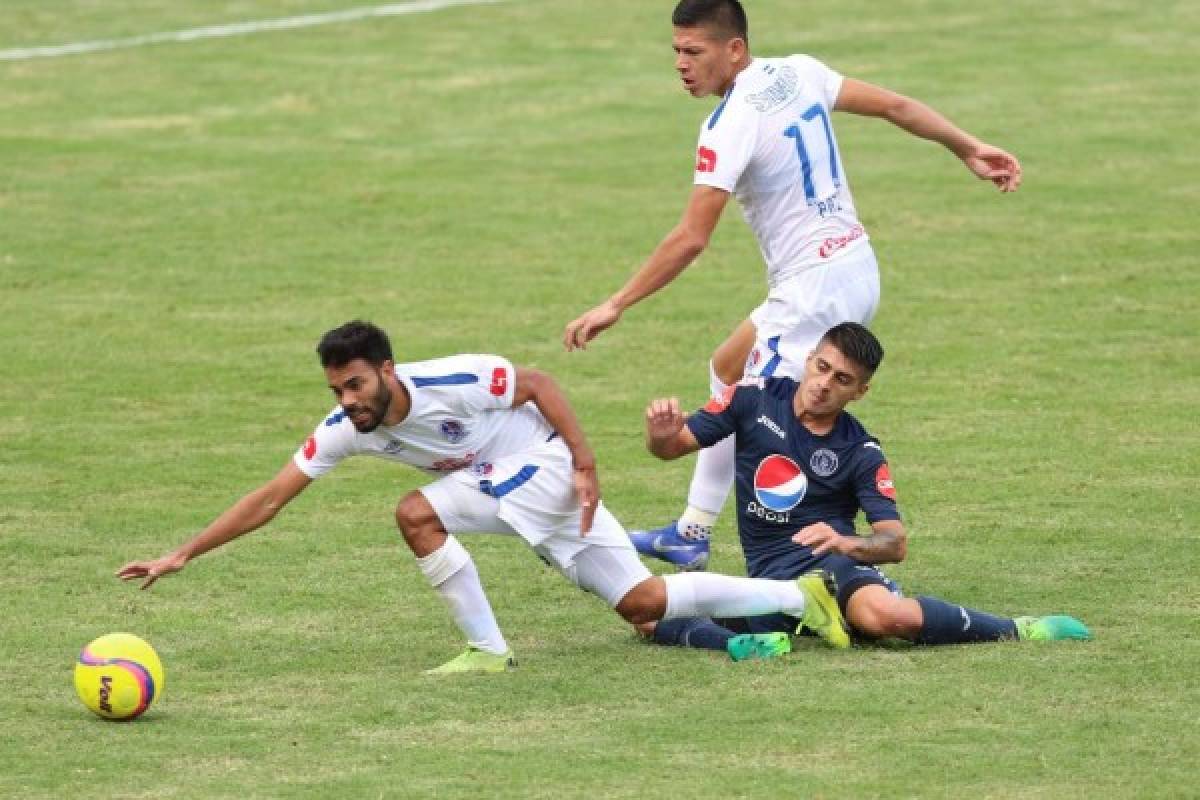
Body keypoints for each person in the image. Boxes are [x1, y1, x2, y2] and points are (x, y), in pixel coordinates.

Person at [563, 0, 1023, 572]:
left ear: (734, 48)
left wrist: (616, 302)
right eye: (676, 51)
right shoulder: (798, 70)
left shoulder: (729, 125)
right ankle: (692, 531)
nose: (681, 64)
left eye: (694, 52)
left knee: (768, 416)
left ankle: (848, 563)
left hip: (811, 289)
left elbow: (691, 237)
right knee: (728, 369)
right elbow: (896, 105)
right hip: (856, 266)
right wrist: (966, 145)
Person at [116, 320, 855, 674]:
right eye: (337, 390)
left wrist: (587, 462)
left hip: (545, 465)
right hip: (531, 488)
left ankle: (487, 650)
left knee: (417, 511)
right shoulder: (348, 428)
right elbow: (272, 497)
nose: (348, 401)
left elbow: (537, 382)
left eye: (357, 384)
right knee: (642, 605)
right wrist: (182, 553)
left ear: (386, 369)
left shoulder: (449, 379)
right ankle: (801, 600)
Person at [639, 322, 1090, 656]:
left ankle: (1019, 627)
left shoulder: (861, 450)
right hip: (768, 577)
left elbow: (895, 542)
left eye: (842, 380)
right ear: (810, 357)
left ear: (861, 391)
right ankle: (747, 645)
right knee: (646, 608)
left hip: (835, 570)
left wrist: (845, 543)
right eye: (822, 367)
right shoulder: (751, 398)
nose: (823, 385)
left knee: (884, 618)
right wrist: (661, 432)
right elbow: (671, 448)